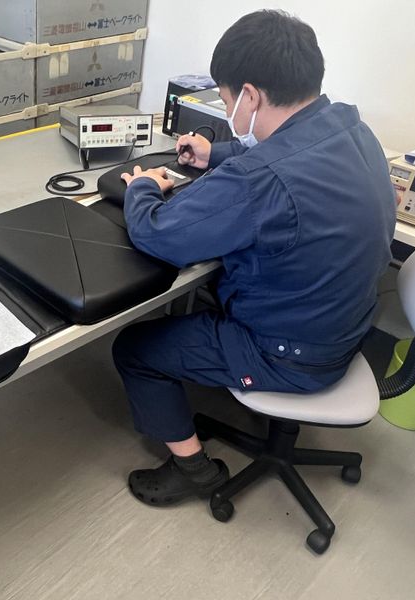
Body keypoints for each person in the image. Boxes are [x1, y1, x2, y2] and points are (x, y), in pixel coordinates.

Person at [113, 10, 396, 506]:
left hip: (290, 354)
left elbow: (158, 235)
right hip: (349, 327)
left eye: (225, 101)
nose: (227, 111)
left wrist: (141, 188)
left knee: (135, 348)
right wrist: (215, 155)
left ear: (250, 95)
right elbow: (287, 152)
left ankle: (193, 470)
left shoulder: (258, 181)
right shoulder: (352, 128)